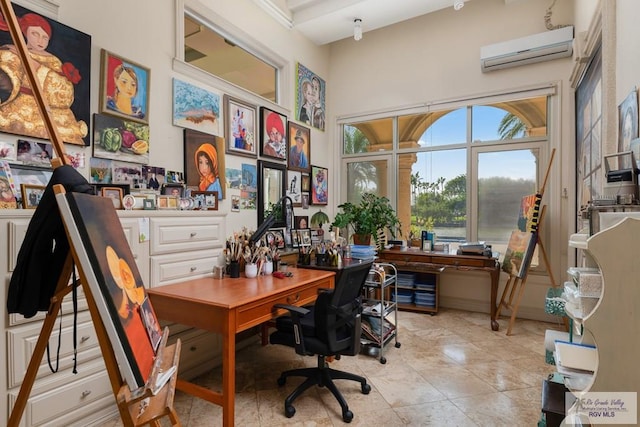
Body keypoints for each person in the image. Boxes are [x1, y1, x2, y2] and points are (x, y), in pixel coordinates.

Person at [0, 12, 87, 144]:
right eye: (35, 34)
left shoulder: (54, 61)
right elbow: (7, 76)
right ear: (25, 32)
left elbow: (63, 88)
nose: (40, 41)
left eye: (45, 37)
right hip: (23, 105)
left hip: (53, 111)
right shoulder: (12, 52)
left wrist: (35, 65)